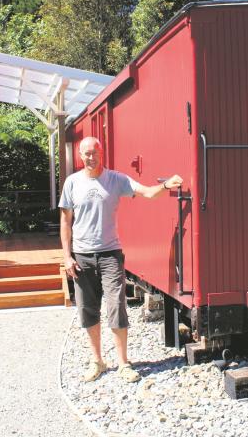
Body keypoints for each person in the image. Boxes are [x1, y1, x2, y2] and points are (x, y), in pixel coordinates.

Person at [59, 136, 183, 383]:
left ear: (101, 152)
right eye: (86, 153)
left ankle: (124, 363)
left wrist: (166, 185)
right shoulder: (72, 183)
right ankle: (97, 362)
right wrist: (67, 256)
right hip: (82, 257)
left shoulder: (116, 180)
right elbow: (65, 221)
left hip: (110, 255)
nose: (90, 157)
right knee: (87, 310)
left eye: (94, 152)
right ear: (80, 156)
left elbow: (147, 193)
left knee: (116, 307)